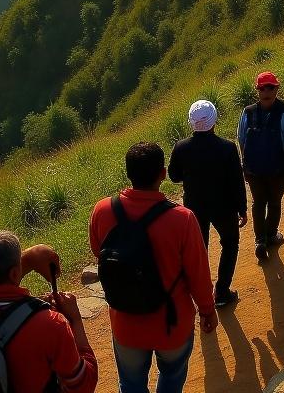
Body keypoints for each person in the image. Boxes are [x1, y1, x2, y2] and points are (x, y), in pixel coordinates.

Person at [90, 143, 217, 393]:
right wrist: (207, 310)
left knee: (130, 383)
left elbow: (99, 254)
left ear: (128, 173)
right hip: (171, 323)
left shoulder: (103, 210)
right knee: (172, 376)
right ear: (163, 173)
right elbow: (198, 275)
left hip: (126, 323)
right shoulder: (183, 219)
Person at [0, 232, 98, 393]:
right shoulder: (50, 324)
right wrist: (75, 319)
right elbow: (83, 386)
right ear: (15, 273)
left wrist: (28, 258)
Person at [168, 101, 247, 309]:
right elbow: (236, 181)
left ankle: (201, 294)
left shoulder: (181, 147)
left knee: (199, 250)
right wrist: (242, 208)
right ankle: (222, 292)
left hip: (194, 207)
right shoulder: (228, 148)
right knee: (229, 245)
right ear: (214, 121)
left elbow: (174, 176)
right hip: (224, 207)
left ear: (191, 122)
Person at [237, 72, 284, 261]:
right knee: (274, 203)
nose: (266, 91)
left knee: (258, 203)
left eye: (269, 87)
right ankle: (271, 235)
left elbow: (241, 139)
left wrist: (245, 165)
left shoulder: (247, 112)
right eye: (263, 88)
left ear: (276, 88)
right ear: (258, 90)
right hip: (278, 171)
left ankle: (259, 241)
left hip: (253, 170)